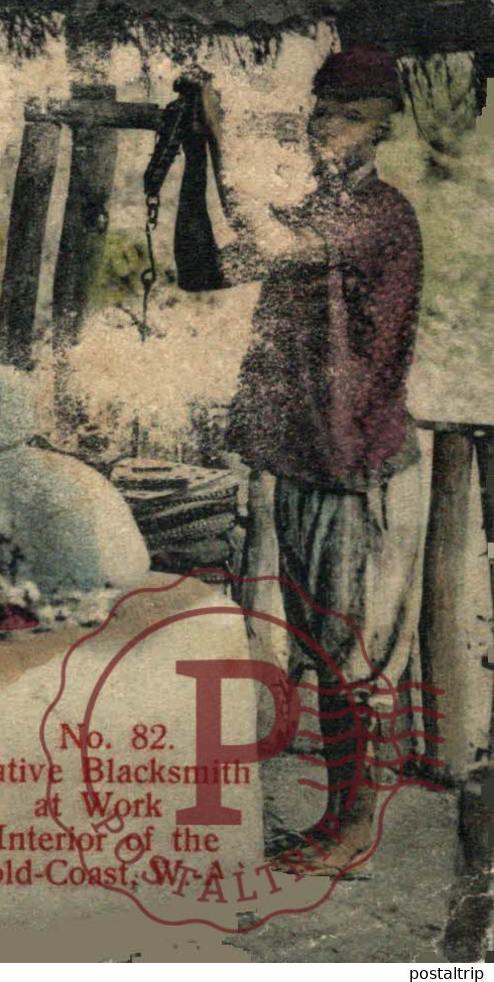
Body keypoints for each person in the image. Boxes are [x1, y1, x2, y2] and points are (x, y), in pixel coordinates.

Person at [201, 46, 427, 874]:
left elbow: (263, 239)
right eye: (319, 109)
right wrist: (193, 161)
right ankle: (340, 821)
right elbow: (208, 266)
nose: (321, 124)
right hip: (307, 458)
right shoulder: (320, 212)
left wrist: (217, 142)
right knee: (321, 648)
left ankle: (355, 831)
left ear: (381, 128)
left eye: (343, 113)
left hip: (354, 466)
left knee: (349, 656)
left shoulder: (376, 214)